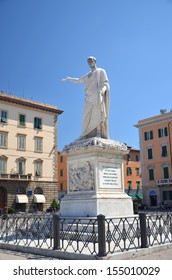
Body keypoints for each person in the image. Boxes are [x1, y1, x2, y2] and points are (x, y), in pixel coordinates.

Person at [63, 56, 110, 139]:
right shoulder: (88, 75)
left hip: (97, 95)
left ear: (95, 61)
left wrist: (102, 90)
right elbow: (78, 80)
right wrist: (69, 78)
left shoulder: (101, 71)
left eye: (91, 61)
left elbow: (105, 83)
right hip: (88, 97)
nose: (90, 62)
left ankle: (98, 133)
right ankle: (84, 134)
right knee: (85, 116)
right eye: (88, 62)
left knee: (97, 114)